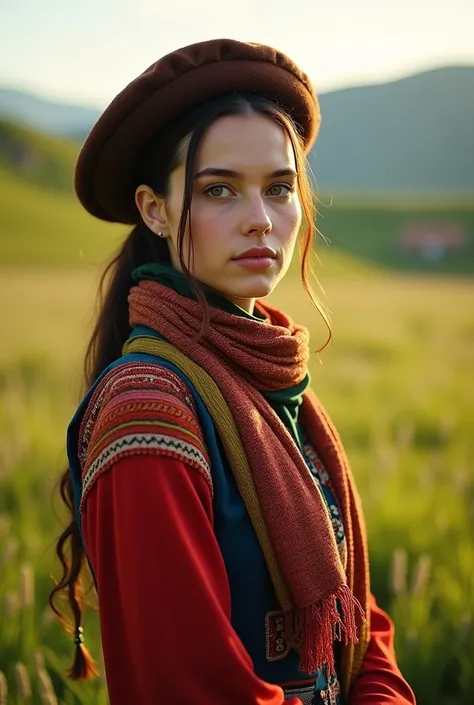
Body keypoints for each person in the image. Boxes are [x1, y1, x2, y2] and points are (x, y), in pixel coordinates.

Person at [50, 39, 416, 705]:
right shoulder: (149, 409)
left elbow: (359, 620)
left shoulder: (274, 382)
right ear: (154, 210)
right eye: (218, 189)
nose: (260, 220)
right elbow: (194, 685)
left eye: (279, 188)